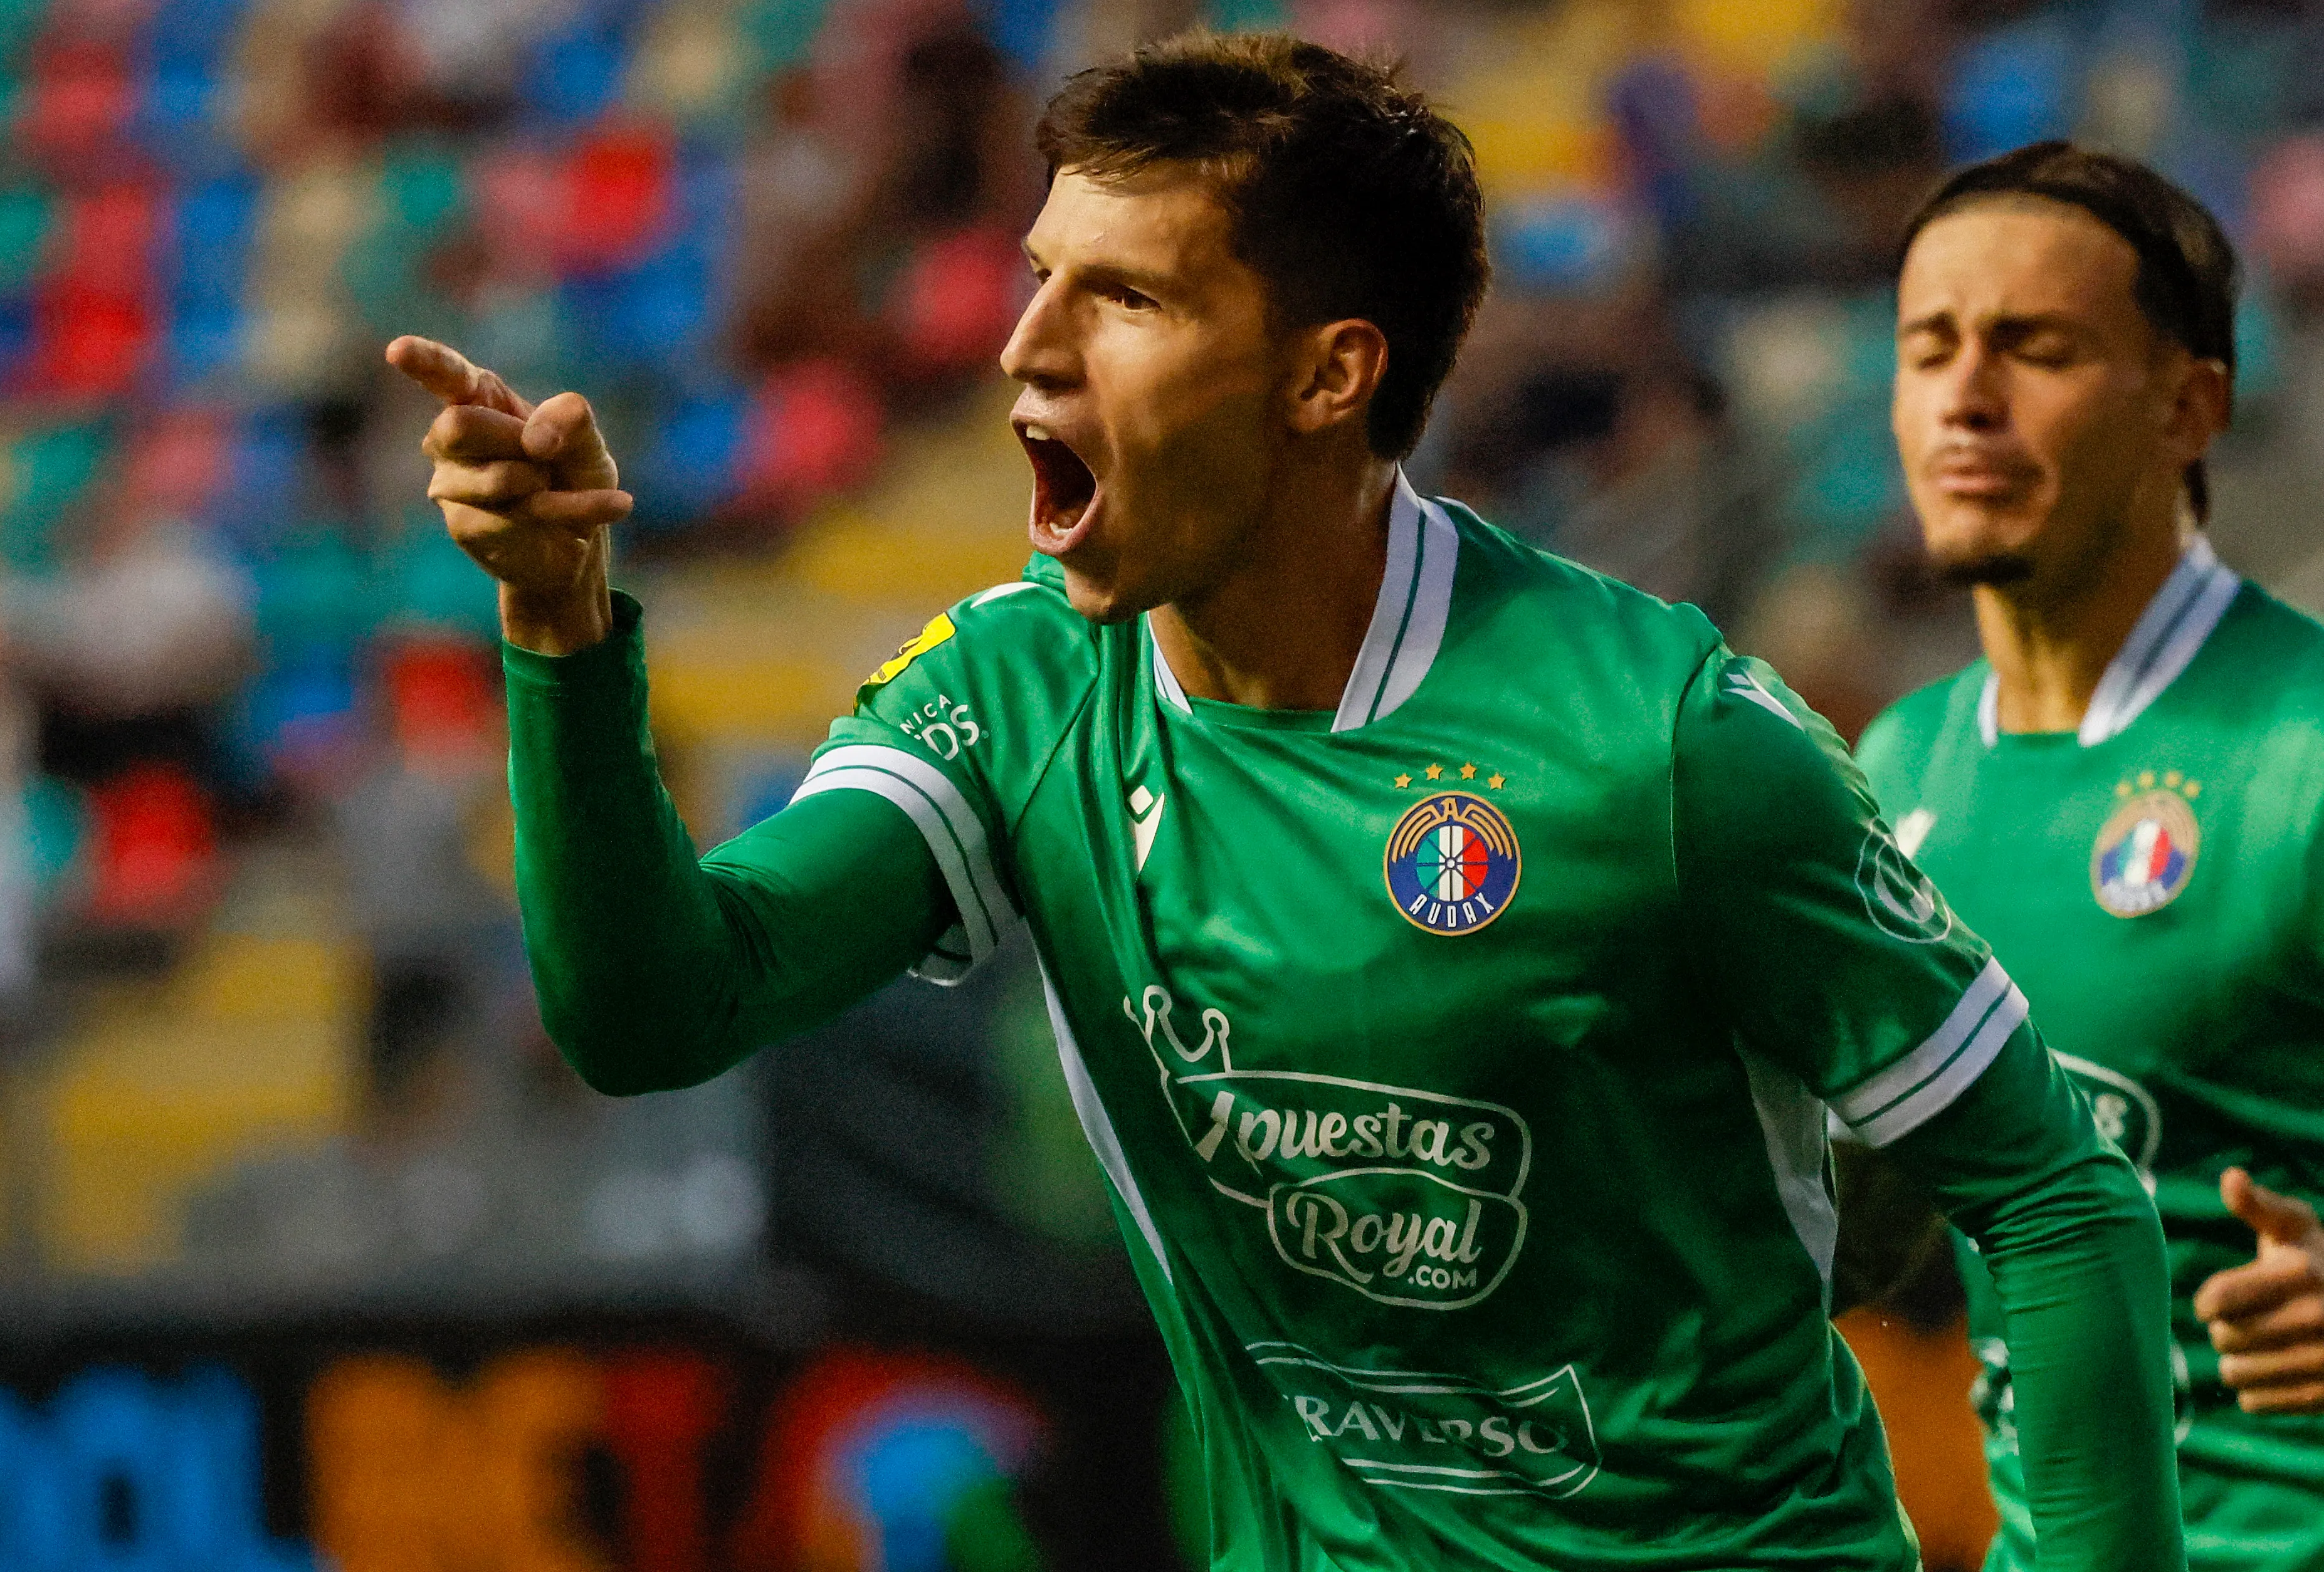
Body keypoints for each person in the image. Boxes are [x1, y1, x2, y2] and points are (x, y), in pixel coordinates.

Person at [391, 36, 2184, 1571]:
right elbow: (657, 1008)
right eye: (1037, 275)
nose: (1027, 345)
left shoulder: (1662, 741)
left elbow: (2048, 1192)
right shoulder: (1021, 691)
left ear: (1328, 374)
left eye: (1127, 297)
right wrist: (559, 635)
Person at [1855, 142, 2324, 1570]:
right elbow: (1848, 1229)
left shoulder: (2303, 748)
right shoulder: (1896, 771)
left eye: (2035, 347)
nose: (1967, 398)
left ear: (2190, 406)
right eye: (1930, 347)